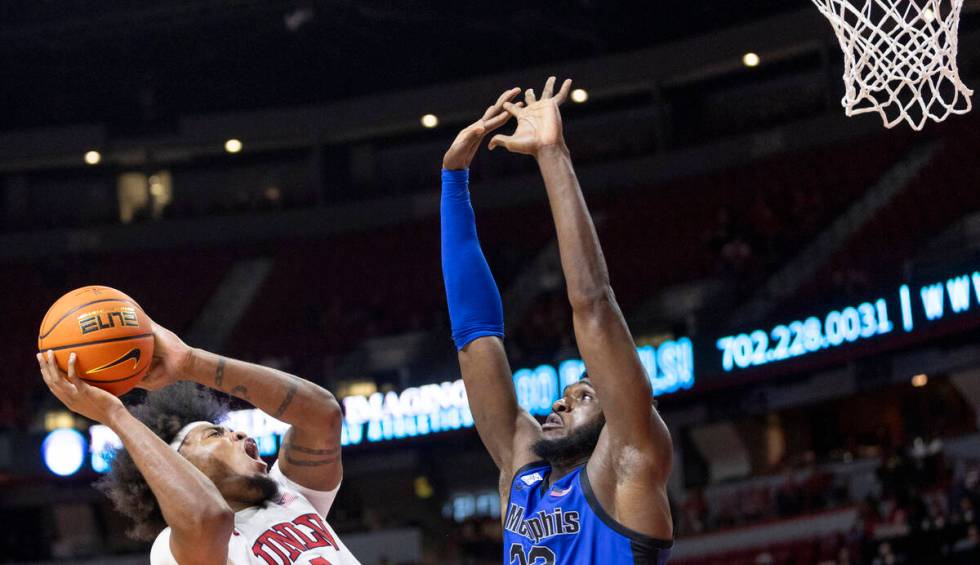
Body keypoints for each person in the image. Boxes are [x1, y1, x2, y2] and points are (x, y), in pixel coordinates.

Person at [440, 78, 673, 564]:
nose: (558, 404)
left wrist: (552, 154)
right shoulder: (523, 475)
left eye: (584, 396)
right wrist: (454, 180)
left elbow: (592, 303)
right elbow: (475, 340)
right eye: (568, 395)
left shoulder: (629, 462)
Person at [37, 321, 360, 565]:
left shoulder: (290, 495)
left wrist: (190, 362)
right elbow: (209, 517)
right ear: (180, 463)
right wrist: (115, 416)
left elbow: (322, 414)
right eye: (214, 434)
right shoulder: (172, 548)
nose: (240, 435)